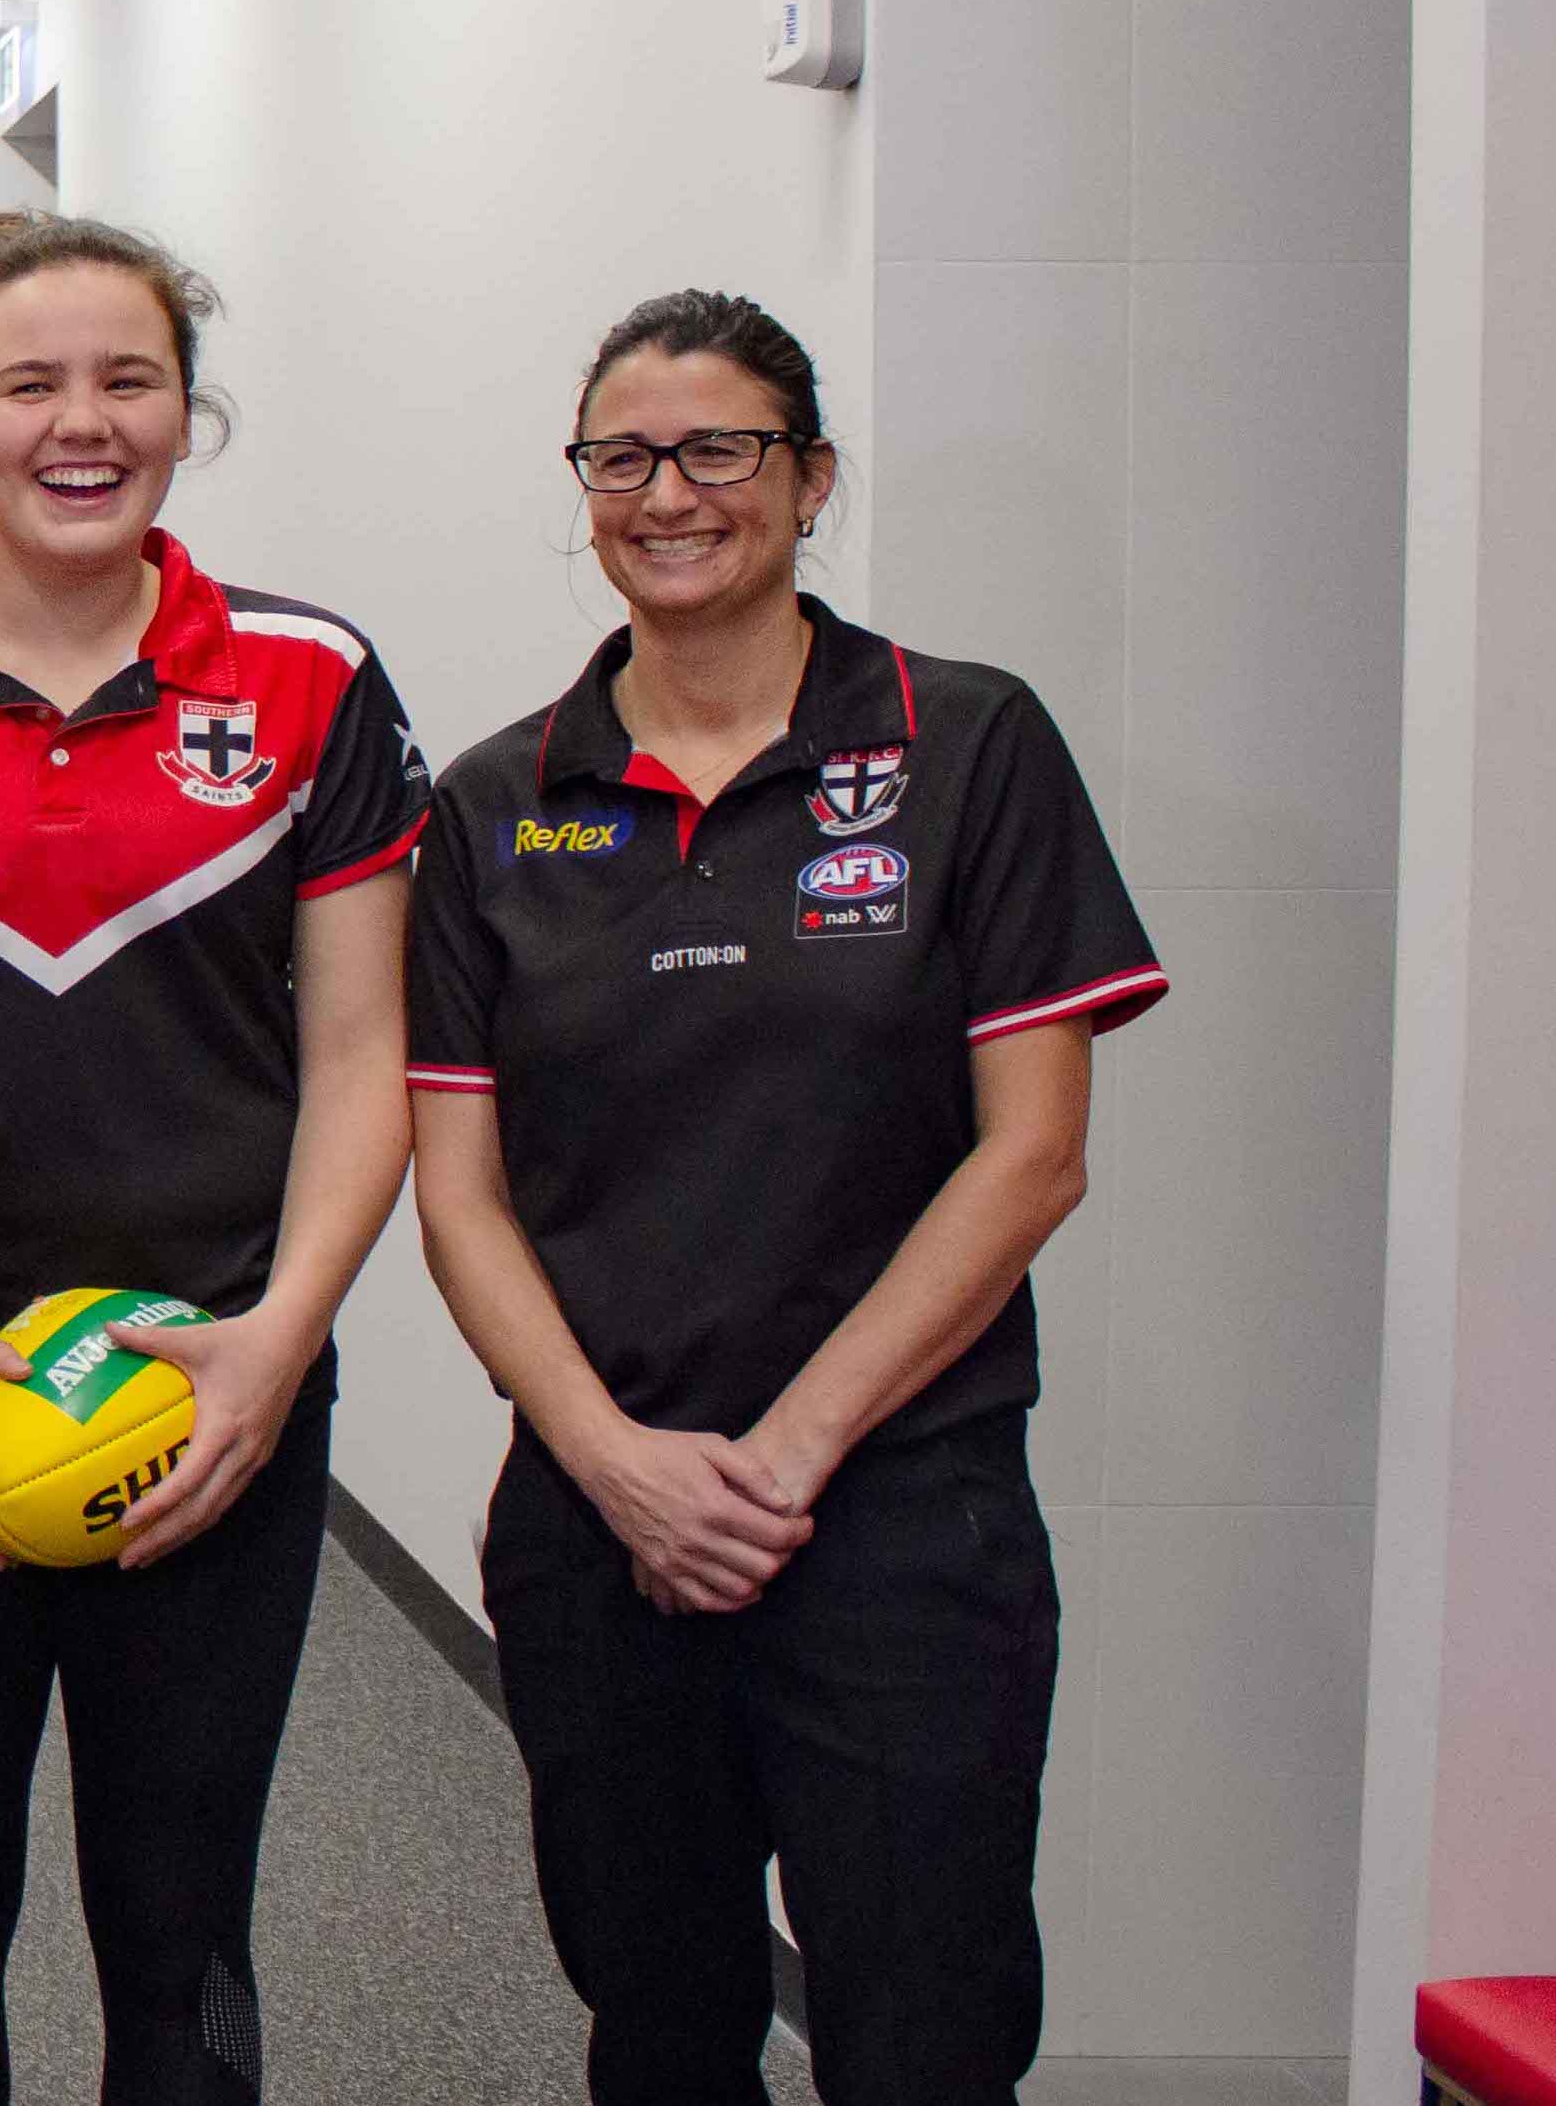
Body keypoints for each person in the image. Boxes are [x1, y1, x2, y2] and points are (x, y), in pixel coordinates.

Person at [407, 290, 1167, 2105]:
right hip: (602, 1525)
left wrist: (792, 1454)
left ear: (810, 476)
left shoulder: (969, 746)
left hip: (899, 1519)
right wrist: (615, 1461)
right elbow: (462, 1197)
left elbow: (1032, 1153)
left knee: (924, 2024)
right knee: (657, 2021)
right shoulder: (500, 800)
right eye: (623, 457)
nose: (670, 492)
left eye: (721, 448)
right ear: (585, 490)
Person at [0, 213, 426, 2104]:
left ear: (185, 412)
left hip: (207, 1415)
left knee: (180, 1930)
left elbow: (364, 1055)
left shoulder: (315, 682)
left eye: (129, 380)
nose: (83, 424)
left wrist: (276, 1345)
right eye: (32, 383)